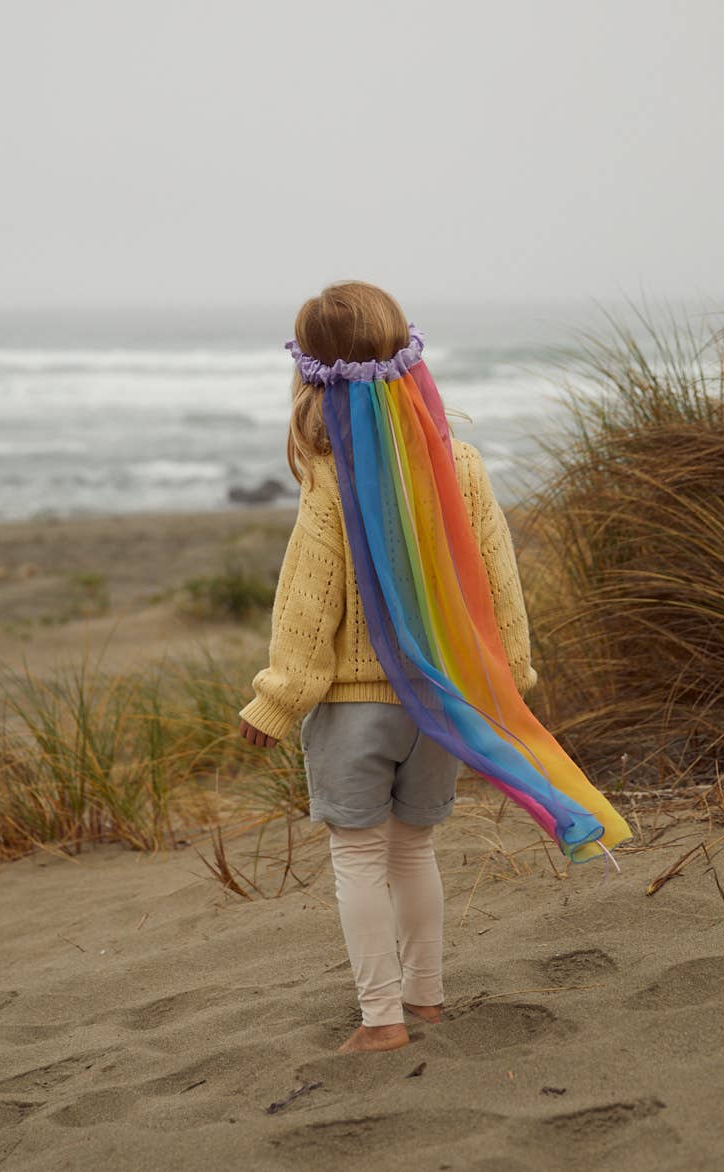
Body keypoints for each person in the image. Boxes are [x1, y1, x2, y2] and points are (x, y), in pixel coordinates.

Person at [237, 280, 540, 1055]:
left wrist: (276, 701)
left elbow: (310, 603)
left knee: (359, 856)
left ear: (310, 374)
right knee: (415, 850)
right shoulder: (461, 465)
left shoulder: (331, 476)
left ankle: (381, 1020)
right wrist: (510, 678)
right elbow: (496, 577)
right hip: (441, 705)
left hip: (354, 706)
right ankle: (427, 1000)